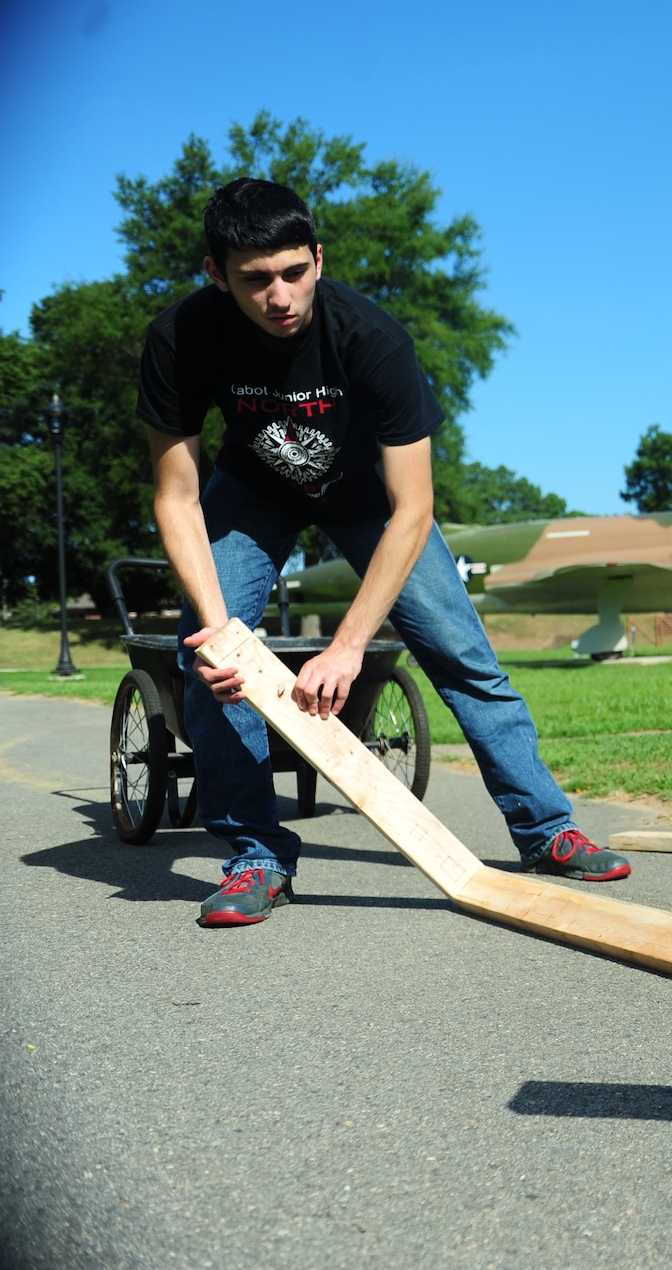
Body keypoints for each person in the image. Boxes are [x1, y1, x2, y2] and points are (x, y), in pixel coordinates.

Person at [139, 178, 631, 929]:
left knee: (465, 656)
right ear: (215, 273)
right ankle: (257, 855)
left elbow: (415, 508)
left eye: (295, 272)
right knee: (207, 663)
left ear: (318, 257)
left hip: (371, 499)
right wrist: (219, 630)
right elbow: (176, 496)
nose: (280, 296)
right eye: (255, 279)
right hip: (251, 490)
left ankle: (545, 828)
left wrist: (348, 645)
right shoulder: (180, 337)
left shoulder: (372, 338)